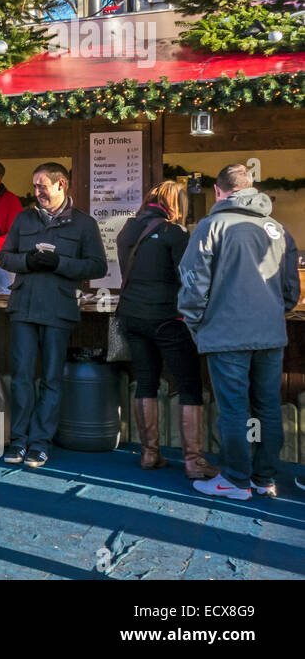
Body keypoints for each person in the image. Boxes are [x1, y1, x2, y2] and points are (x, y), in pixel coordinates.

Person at [179, 164, 300, 500]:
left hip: (226, 333)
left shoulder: (211, 226)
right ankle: (264, 478)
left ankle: (235, 480)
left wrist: (196, 322)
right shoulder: (277, 229)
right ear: (252, 188)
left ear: (218, 191)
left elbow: (192, 284)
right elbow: (291, 289)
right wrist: (272, 311)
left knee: (234, 408)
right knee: (267, 406)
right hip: (270, 333)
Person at [0, 162, 107, 468]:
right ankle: (18, 440)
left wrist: (59, 264)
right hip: (23, 307)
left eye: (42, 186)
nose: (37, 192)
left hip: (59, 309)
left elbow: (98, 266)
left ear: (61, 185)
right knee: (21, 377)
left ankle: (40, 444)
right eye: (34, 186)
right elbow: (4, 257)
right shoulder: (23, 218)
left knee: (51, 380)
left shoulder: (84, 224)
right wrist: (28, 261)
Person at [116, 181, 217, 478]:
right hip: (167, 318)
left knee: (146, 382)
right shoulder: (174, 233)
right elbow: (188, 278)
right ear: (176, 205)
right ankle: (193, 460)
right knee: (188, 385)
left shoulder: (127, 230)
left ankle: (149, 453)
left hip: (132, 316)